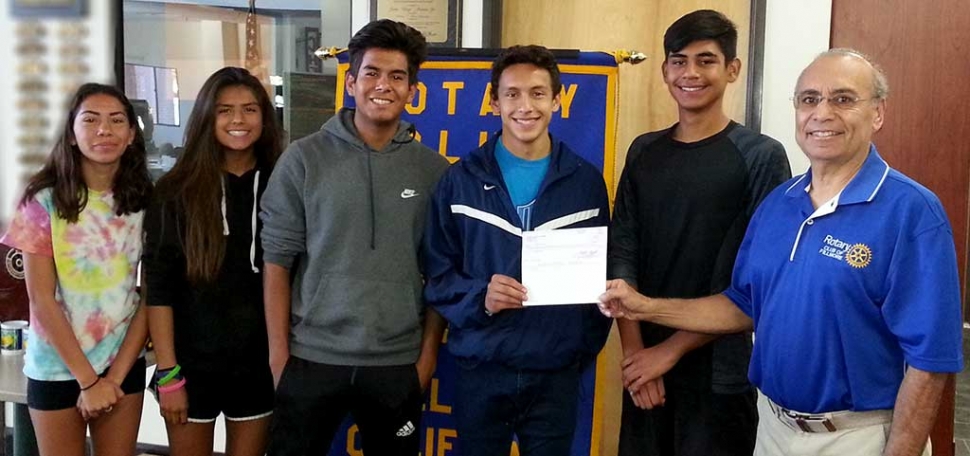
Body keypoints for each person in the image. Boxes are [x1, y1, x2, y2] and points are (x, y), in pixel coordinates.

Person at [599, 49, 963, 456]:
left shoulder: (912, 212)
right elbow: (742, 306)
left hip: (857, 437)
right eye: (809, 99)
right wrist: (642, 306)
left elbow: (930, 360)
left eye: (843, 99)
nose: (822, 113)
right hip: (772, 428)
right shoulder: (778, 203)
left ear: (877, 112)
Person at [260, 19, 450, 455]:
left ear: (412, 90)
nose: (383, 85)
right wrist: (279, 361)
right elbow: (276, 263)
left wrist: (426, 360)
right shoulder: (303, 159)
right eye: (372, 73)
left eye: (397, 76)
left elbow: (441, 269)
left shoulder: (433, 170)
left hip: (396, 363)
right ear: (351, 82)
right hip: (310, 360)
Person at [609, 10, 790, 456]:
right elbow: (622, 251)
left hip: (718, 373)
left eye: (706, 60)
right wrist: (637, 358)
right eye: (679, 60)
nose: (690, 73)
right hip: (645, 371)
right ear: (665, 70)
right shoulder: (644, 150)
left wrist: (667, 353)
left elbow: (752, 282)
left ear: (732, 69)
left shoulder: (761, 156)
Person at [422, 44, 613, 456]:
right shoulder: (460, 180)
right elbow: (437, 275)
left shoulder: (585, 182)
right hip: (481, 370)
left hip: (555, 374)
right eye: (512, 94)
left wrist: (576, 350)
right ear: (493, 103)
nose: (525, 106)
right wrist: (481, 298)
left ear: (557, 101)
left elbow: (602, 278)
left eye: (538, 93)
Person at [0, 83, 153, 456]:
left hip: (122, 365)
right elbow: (41, 298)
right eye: (91, 120)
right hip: (57, 366)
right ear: (71, 133)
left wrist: (113, 378)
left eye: (117, 120)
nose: (105, 130)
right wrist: (88, 381)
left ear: (132, 134)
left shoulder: (145, 199)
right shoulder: (42, 201)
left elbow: (151, 294)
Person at [142, 67, 283, 456]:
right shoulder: (175, 190)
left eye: (249, 109)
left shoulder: (285, 183)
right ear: (207, 117)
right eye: (224, 110)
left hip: (258, 367)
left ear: (264, 117)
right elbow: (159, 287)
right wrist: (168, 374)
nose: (238, 120)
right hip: (189, 368)